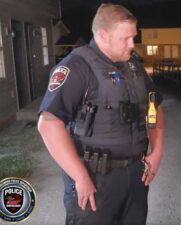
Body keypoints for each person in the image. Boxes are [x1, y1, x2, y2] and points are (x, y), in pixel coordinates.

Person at [37, 3, 164, 225]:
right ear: (103, 35)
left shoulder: (133, 67)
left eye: (133, 37)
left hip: (135, 176)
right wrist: (79, 176)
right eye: (125, 39)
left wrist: (157, 151)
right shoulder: (77, 67)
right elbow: (48, 124)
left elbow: (154, 106)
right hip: (94, 179)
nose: (132, 45)